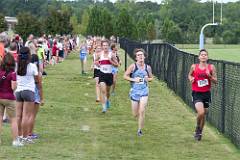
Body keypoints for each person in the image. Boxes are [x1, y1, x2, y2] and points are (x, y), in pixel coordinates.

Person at [188, 49, 217, 141]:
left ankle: (200, 131)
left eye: (205, 55)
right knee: (201, 112)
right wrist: (191, 79)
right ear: (199, 57)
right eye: (202, 55)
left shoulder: (211, 67)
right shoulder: (194, 66)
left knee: (203, 114)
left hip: (206, 93)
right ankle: (197, 127)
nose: (203, 56)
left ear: (207, 57)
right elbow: (189, 75)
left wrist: (210, 76)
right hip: (196, 93)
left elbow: (216, 81)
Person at [124, 48, 153, 136]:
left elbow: (151, 78)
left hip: (144, 90)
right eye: (138, 55)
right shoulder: (133, 66)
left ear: (144, 57)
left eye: (142, 55)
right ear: (136, 58)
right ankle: (138, 117)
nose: (140, 56)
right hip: (135, 91)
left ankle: (139, 130)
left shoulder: (148, 67)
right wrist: (133, 79)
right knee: (135, 114)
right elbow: (125, 76)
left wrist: (148, 79)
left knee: (142, 110)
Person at [15, 47, 39, 144]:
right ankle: (25, 137)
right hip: (29, 91)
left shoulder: (16, 66)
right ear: (29, 55)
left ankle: (19, 135)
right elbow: (37, 79)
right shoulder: (32, 66)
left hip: (18, 92)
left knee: (18, 116)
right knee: (26, 115)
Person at [0, 53, 24, 146]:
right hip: (9, 98)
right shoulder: (13, 73)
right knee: (13, 120)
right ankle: (15, 141)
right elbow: (13, 87)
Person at [95, 40, 118, 113]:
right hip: (102, 74)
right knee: (103, 91)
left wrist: (110, 61)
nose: (105, 47)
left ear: (108, 46)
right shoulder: (99, 54)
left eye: (106, 45)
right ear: (102, 47)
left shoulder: (112, 55)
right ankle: (104, 107)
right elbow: (95, 61)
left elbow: (117, 64)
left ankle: (107, 100)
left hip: (109, 74)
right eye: (104, 45)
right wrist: (98, 64)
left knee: (107, 92)